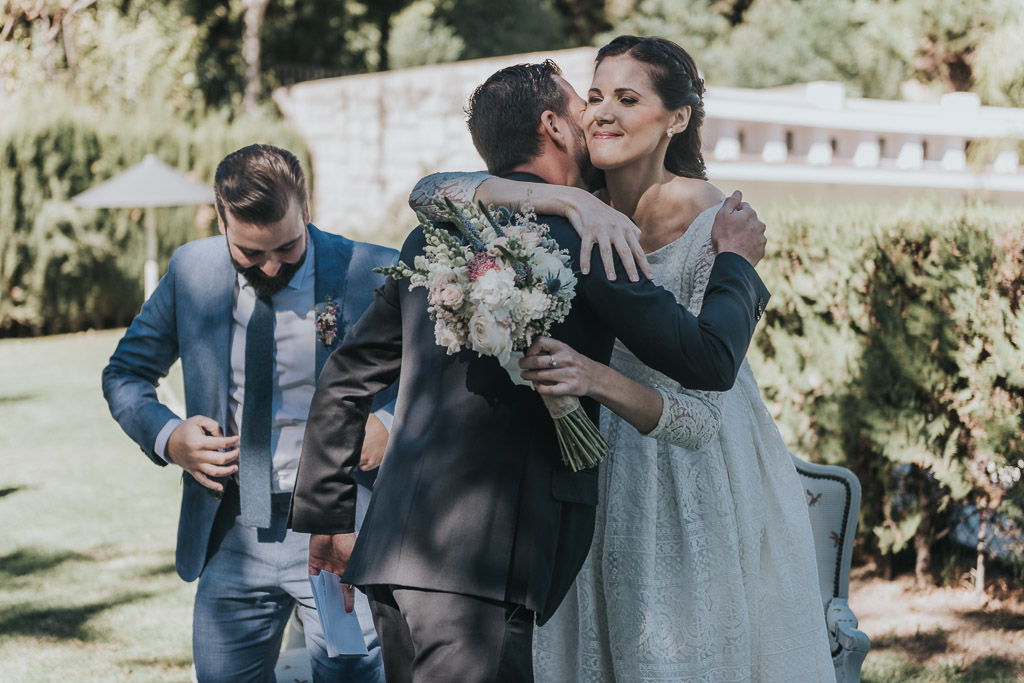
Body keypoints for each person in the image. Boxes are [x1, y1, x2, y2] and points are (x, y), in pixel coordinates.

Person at [289, 59, 770, 683]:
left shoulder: (432, 240)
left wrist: (327, 519)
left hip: (393, 559)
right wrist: (737, 264)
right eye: (583, 107)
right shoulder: (591, 241)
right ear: (555, 127)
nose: (596, 118)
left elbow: (346, 379)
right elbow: (706, 359)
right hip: (483, 572)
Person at [409, 36, 836, 682]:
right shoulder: (581, 208)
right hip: (590, 463)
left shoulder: (715, 222)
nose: (602, 112)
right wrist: (568, 199)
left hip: (690, 471)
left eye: (628, 98)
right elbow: (431, 191)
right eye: (597, 95)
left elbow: (700, 414)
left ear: (677, 118)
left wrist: (596, 377)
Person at [102, 144, 397, 682]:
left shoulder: (369, 270)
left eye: (286, 248)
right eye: (249, 252)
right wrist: (171, 437)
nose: (269, 266)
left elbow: (441, 373)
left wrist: (391, 421)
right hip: (233, 532)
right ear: (221, 220)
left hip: (338, 525)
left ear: (306, 211)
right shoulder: (191, 270)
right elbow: (124, 374)